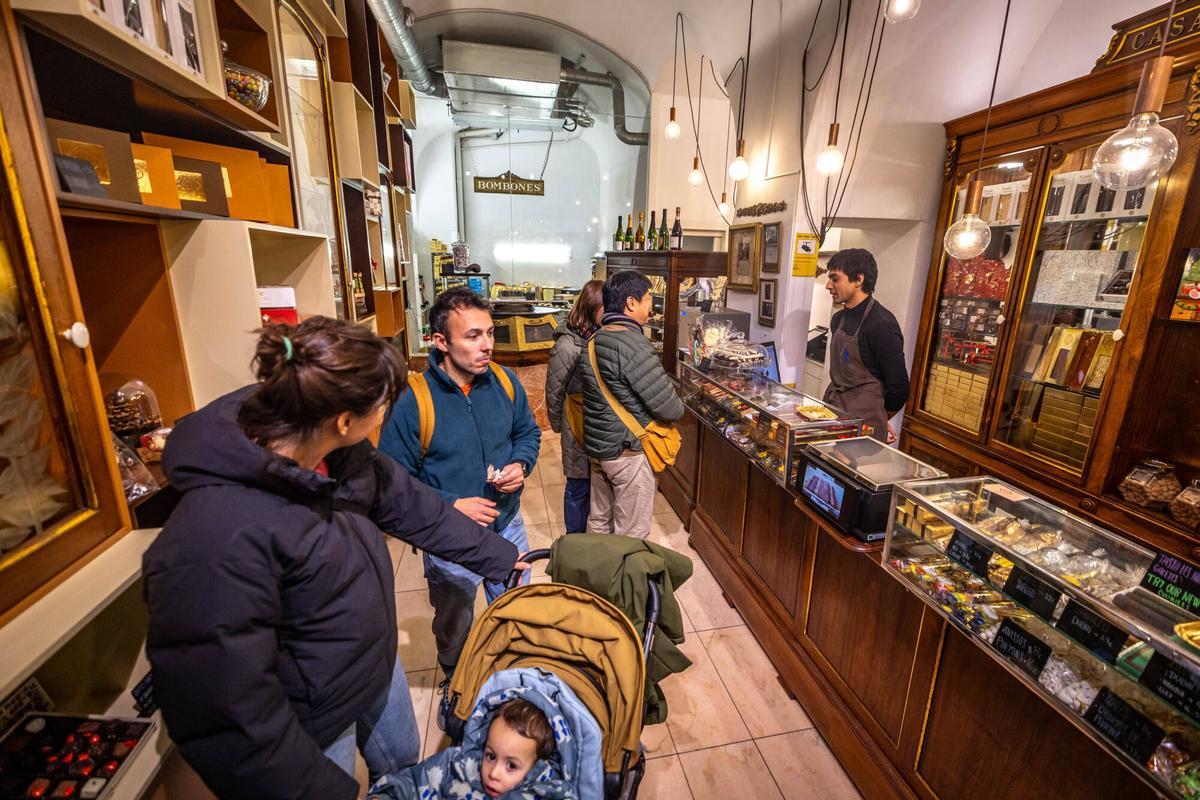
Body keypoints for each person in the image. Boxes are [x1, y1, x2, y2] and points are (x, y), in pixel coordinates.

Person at [143, 317, 524, 800]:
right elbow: (228, 713)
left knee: (406, 769)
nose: (385, 418)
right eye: (381, 407)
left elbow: (412, 506)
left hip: (375, 668)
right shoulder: (214, 537)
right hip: (314, 712)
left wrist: (498, 554)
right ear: (345, 419)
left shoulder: (338, 454)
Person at [378, 287, 541, 720]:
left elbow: (528, 433)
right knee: (455, 620)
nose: (487, 344)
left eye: (489, 333)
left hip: (507, 524)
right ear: (441, 341)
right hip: (449, 539)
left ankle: (512, 675)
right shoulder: (413, 401)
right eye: (472, 336)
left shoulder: (504, 383)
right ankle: (457, 677)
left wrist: (521, 465)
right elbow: (393, 484)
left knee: (514, 608)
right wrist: (451, 505)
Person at [580, 270, 684, 539]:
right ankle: (624, 581)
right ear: (631, 303)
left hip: (598, 448)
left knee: (599, 521)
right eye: (648, 298)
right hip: (627, 452)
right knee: (631, 534)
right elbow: (671, 409)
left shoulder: (594, 339)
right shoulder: (634, 346)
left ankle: (596, 578)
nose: (651, 305)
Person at [366, 699, 574, 800]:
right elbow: (412, 780)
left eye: (511, 765)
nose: (493, 773)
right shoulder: (459, 764)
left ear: (536, 767)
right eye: (491, 756)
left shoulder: (549, 792)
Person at [823, 248, 911, 443]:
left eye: (835, 279)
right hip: (832, 414)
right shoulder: (838, 319)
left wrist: (878, 417)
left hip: (861, 431)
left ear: (859, 279)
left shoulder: (881, 325)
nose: (828, 285)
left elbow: (899, 387)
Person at [544, 280, 605, 533]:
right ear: (592, 308)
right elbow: (554, 390)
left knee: (595, 484)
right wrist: (558, 425)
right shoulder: (568, 344)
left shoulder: (600, 336)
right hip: (576, 423)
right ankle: (574, 539)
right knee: (578, 485)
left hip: (597, 425)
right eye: (606, 306)